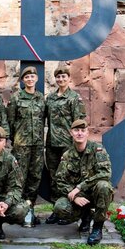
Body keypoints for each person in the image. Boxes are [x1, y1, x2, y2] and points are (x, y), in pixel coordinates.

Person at [53, 119, 113, 246]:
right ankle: (85, 216)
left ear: (87, 133)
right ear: (71, 133)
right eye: (76, 130)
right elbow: (60, 180)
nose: (79, 133)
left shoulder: (98, 150)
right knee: (60, 208)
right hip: (79, 197)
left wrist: (79, 187)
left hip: (95, 194)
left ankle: (97, 227)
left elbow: (105, 173)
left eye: (82, 130)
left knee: (104, 186)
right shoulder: (67, 155)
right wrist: (74, 196)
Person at [45, 66, 86, 224]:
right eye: (58, 77)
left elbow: (79, 122)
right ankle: (57, 209)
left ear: (69, 78)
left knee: (68, 176)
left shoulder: (74, 98)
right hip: (51, 143)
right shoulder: (50, 98)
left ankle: (69, 211)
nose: (60, 80)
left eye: (63, 77)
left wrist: (77, 142)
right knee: (54, 176)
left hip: (68, 144)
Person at [7, 66, 45, 227]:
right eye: (27, 77)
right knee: (19, 178)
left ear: (36, 79)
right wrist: (16, 139)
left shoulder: (41, 98)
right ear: (23, 80)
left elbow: (43, 120)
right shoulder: (16, 98)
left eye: (32, 77)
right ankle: (19, 211)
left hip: (37, 145)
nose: (30, 79)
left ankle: (30, 210)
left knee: (35, 178)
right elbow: (10, 121)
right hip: (21, 145)